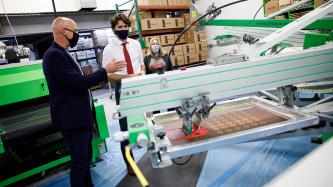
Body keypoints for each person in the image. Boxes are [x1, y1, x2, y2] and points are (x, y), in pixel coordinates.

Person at [43, 17, 126, 187]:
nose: (77, 34)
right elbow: (79, 83)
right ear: (64, 31)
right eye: (75, 30)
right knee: (80, 164)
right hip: (72, 120)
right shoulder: (54, 55)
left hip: (79, 118)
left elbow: (78, 82)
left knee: (85, 160)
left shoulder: (62, 53)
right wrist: (105, 71)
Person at [102, 14, 145, 175]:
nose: (123, 29)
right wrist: (128, 77)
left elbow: (141, 64)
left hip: (140, 86)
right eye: (119, 27)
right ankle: (130, 163)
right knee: (125, 127)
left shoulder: (135, 44)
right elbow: (106, 75)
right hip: (123, 89)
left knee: (146, 120)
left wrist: (141, 72)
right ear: (114, 29)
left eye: (125, 26)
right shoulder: (109, 49)